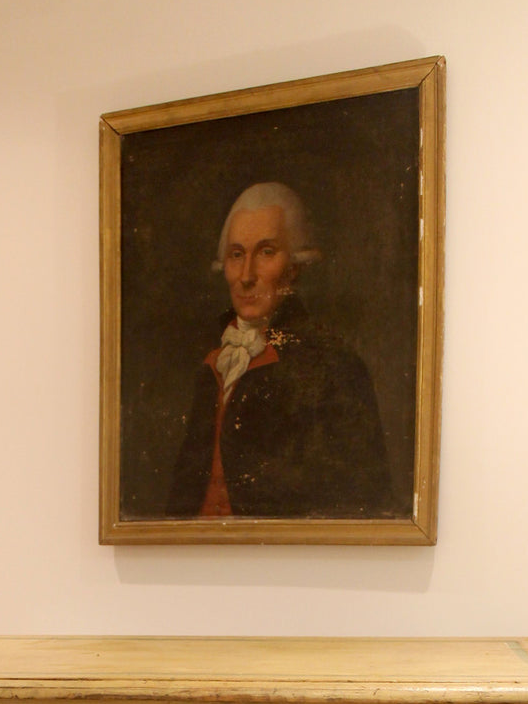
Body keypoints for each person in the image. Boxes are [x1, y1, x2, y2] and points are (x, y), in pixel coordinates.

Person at [166, 182, 392, 519]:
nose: (246, 276)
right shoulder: (208, 358)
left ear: (296, 265)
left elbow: (361, 504)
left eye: (266, 252)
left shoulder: (334, 367)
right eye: (237, 255)